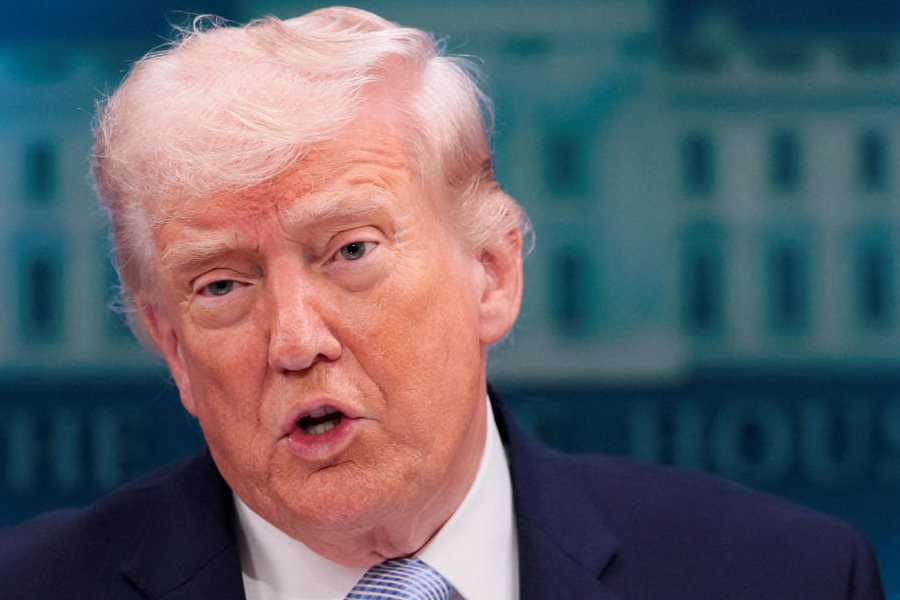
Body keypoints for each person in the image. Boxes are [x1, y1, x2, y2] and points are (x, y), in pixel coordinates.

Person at [0, 7, 885, 599]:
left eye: (350, 251)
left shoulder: (783, 576)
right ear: (171, 347)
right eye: (223, 285)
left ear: (493, 273)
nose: (296, 342)